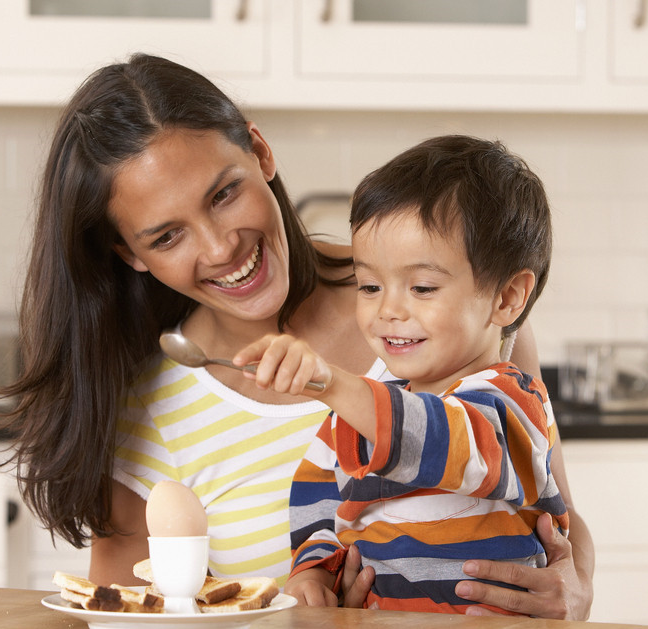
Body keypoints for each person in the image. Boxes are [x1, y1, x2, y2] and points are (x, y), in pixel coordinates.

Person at [0, 53, 594, 619]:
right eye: (166, 237)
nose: (219, 246)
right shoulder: (146, 407)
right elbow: (129, 611)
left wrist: (575, 589)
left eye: (223, 193)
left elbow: (553, 508)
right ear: (129, 254)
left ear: (260, 152)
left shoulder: (454, 309)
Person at [233, 136, 569, 614]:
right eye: (369, 285)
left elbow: (449, 444)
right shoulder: (352, 420)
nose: (388, 310)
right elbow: (318, 505)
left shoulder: (514, 403)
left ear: (507, 297)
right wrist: (311, 570)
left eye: (422, 287)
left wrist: (334, 382)